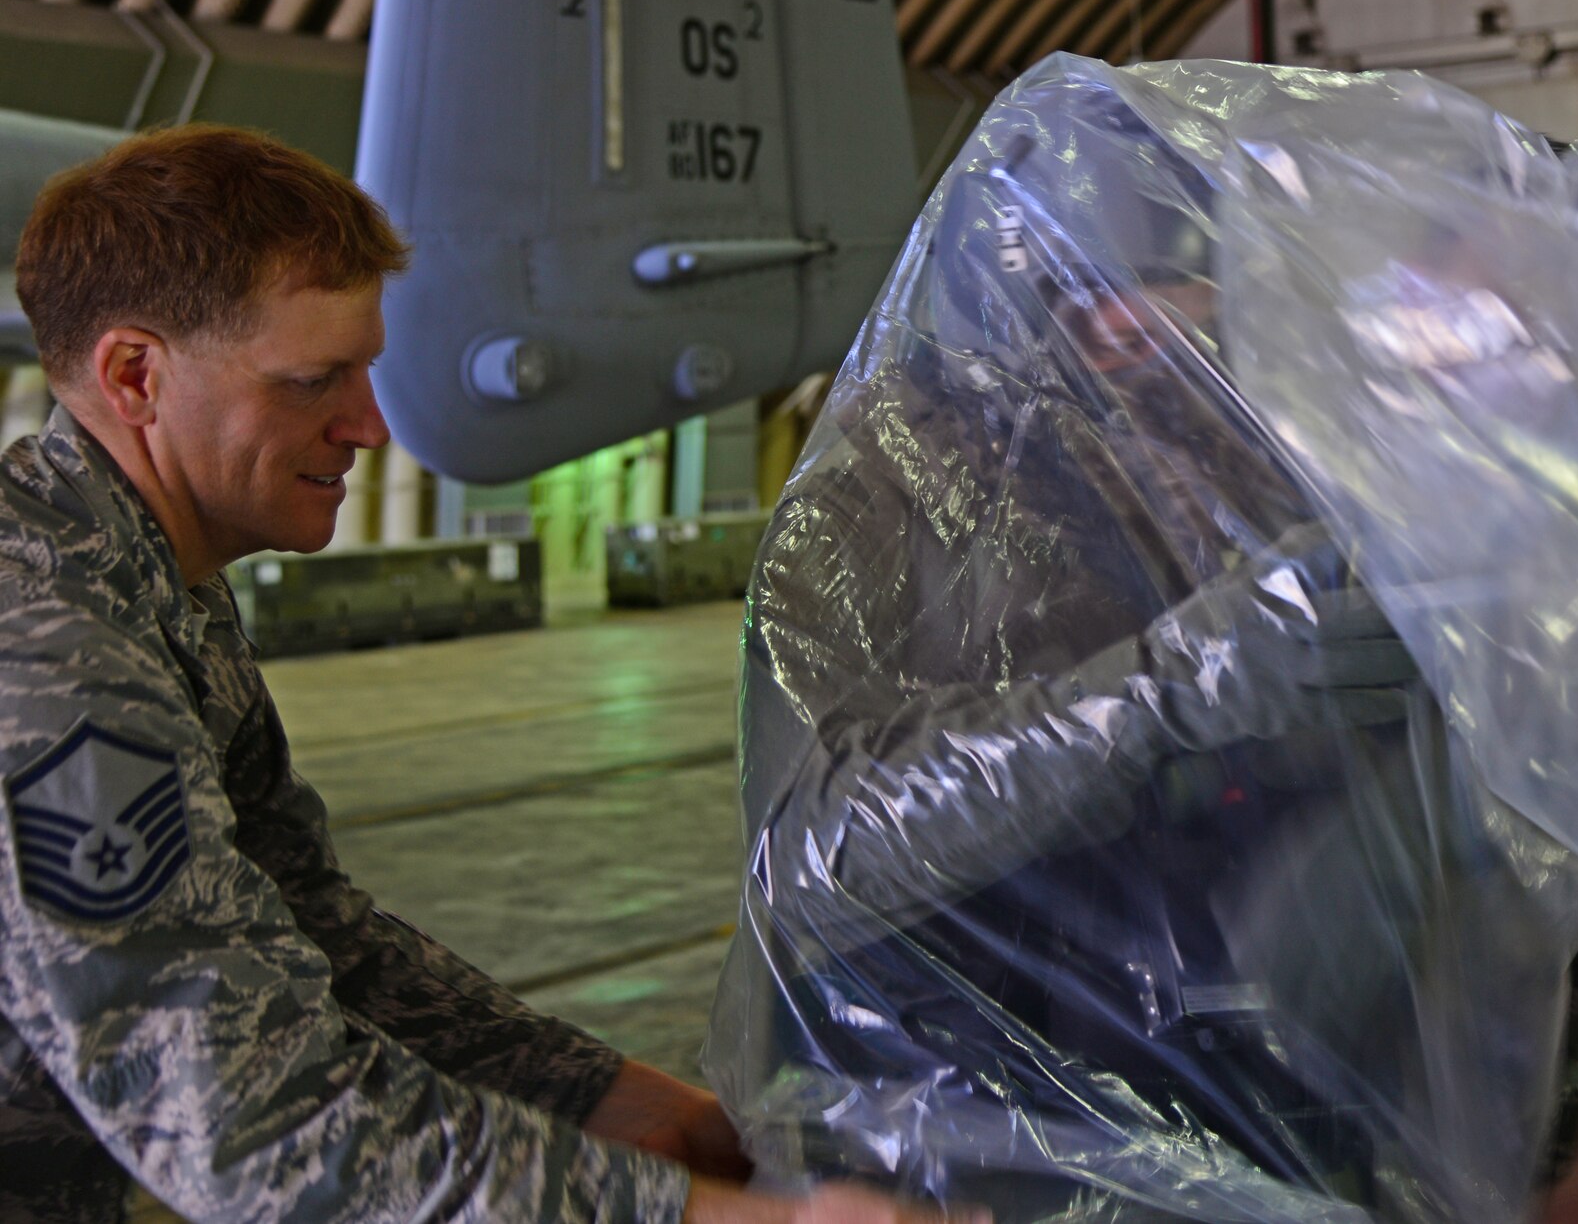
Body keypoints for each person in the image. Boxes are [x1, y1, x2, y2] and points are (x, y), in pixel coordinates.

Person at [714, 88, 1578, 1223]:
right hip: (987, 1121)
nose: (1134, 344)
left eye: (1172, 303)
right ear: (996, 290)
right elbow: (816, 858)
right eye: (1085, 305)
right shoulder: (888, 477)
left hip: (1304, 1109)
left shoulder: (1252, 443)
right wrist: (1165, 692)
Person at [0, 126, 961, 1224]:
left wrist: (623, 1105)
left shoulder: (145, 576)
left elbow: (311, 932)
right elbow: (256, 1122)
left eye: (364, 369)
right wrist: (722, 1218)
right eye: (315, 380)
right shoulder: (47, 651)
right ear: (136, 375)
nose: (367, 425)